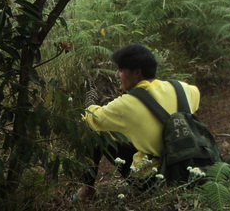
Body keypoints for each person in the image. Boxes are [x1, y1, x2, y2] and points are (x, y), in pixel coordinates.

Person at [73, 43, 201, 201]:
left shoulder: (127, 103)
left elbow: (91, 118)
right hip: (191, 168)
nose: (116, 75)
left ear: (137, 72)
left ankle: (87, 191)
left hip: (153, 180)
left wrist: (89, 105)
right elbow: (196, 94)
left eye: (120, 70)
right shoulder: (184, 88)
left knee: (96, 134)